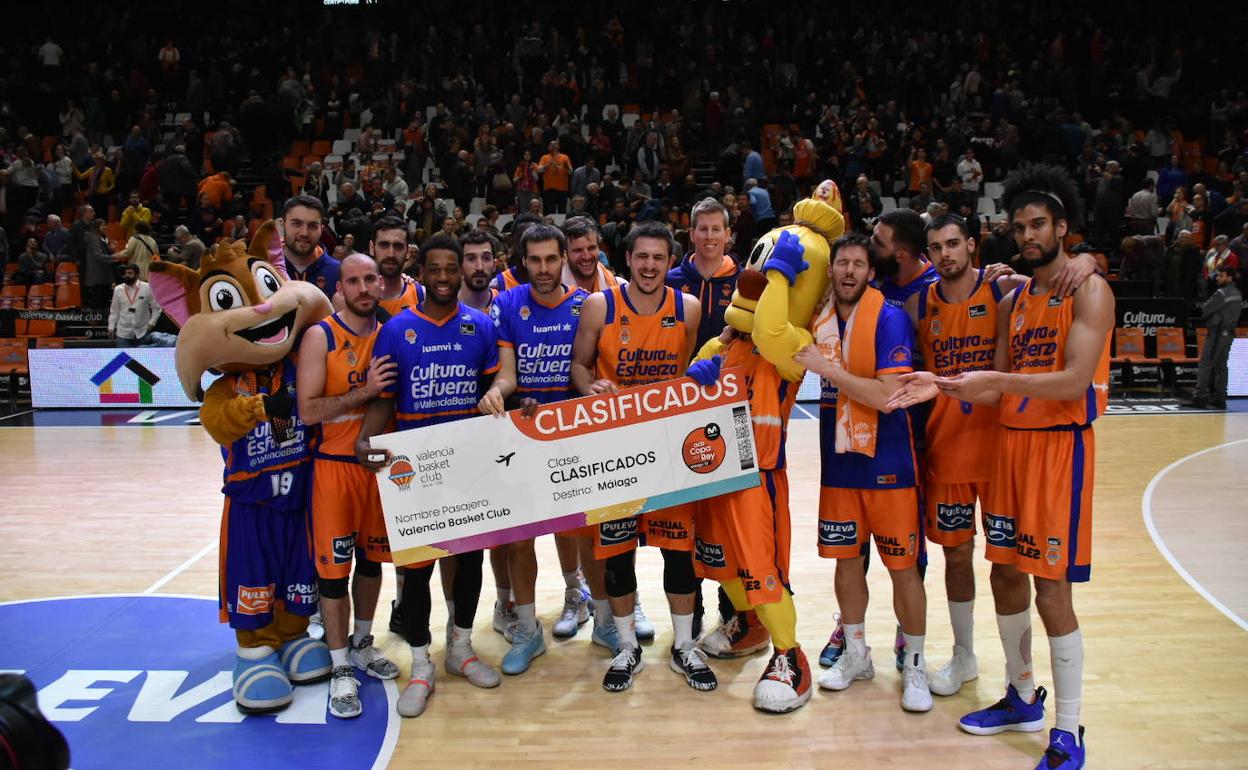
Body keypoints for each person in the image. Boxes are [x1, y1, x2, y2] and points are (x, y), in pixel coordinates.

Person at [892, 164, 1113, 770]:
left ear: (1061, 227)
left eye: (1038, 224)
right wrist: (934, 383)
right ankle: (1021, 695)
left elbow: (1070, 380)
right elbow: (989, 389)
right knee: (1005, 576)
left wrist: (993, 378)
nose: (1029, 234)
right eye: (1020, 226)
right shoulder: (1017, 297)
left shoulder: (1088, 288)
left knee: (1052, 589)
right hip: (1010, 448)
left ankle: (1068, 732)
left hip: (1058, 450)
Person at [356, 235, 502, 718]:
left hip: (467, 464)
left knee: (470, 563)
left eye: (450, 269)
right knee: (414, 573)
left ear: (461, 271)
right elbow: (383, 398)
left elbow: (492, 391)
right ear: (425, 272)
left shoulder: (479, 327)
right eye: (434, 269)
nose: (442, 277)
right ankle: (421, 665)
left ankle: (460, 649)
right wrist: (365, 438)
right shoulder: (397, 330)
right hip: (413, 469)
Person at [569, 221, 712, 693]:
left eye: (659, 257)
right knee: (617, 553)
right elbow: (579, 366)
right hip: (615, 451)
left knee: (678, 552)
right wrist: (592, 387)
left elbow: (690, 373)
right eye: (642, 256)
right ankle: (627, 646)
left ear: (671, 262)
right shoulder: (598, 305)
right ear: (626, 259)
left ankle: (685, 646)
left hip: (669, 449)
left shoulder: (686, 308)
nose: (650, 265)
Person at [794, 233, 932, 714]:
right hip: (840, 466)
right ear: (830, 271)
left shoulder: (889, 319)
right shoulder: (820, 319)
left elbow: (885, 396)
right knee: (846, 564)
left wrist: (823, 369)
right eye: (841, 264)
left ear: (870, 272)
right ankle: (857, 657)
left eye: (858, 264)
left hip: (890, 466)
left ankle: (914, 664)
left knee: (902, 569)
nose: (849, 271)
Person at [900, 213, 1030, 697]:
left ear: (972, 245)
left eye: (953, 244)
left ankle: (1019, 673)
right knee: (956, 557)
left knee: (1010, 565)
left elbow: (1054, 288)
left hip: (1000, 453)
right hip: (947, 450)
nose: (945, 254)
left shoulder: (1004, 292)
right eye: (936, 248)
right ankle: (964, 656)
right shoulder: (919, 304)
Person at [478, 224, 602, 674]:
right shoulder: (508, 303)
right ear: (523, 261)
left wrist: (593, 389)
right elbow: (509, 370)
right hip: (520, 434)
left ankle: (590, 606)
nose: (544, 269)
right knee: (518, 538)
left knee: (580, 531)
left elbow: (585, 369)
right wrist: (499, 390)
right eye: (535, 260)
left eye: (552, 259)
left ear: (565, 257)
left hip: (569, 435)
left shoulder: (585, 306)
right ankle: (528, 630)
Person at [296, 254, 401, 719]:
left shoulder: (394, 332)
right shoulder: (322, 336)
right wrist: (365, 390)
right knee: (334, 573)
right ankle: (340, 668)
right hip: (334, 469)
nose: (362, 288)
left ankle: (361, 642)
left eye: (369, 279)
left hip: (380, 469)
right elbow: (308, 411)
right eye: (352, 280)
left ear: (381, 283)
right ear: (340, 288)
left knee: (374, 562)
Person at [1185, 266, 1243, 409]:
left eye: (1221, 276)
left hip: (1217, 333)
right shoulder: (1237, 293)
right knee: (1221, 366)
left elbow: (1205, 310)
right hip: (1229, 333)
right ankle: (1220, 398)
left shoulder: (1221, 293)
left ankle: (1199, 397)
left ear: (1229, 277)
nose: (1218, 278)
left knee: (1206, 364)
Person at [280, 195, 341, 298]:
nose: (304, 233)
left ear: (321, 230)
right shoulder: (263, 270)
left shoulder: (339, 272)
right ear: (282, 225)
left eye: (312, 226)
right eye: (296, 224)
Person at [107, 263, 163, 347]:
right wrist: (111, 327)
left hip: (142, 332)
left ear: (137, 275)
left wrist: (151, 323)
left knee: (142, 359)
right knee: (124, 359)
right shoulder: (118, 289)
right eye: (125, 273)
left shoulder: (147, 288)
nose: (126, 276)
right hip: (123, 333)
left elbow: (157, 308)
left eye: (130, 273)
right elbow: (114, 311)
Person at [562, 216, 621, 293]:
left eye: (591, 248)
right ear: (565, 254)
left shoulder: (618, 287)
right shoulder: (551, 290)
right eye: (578, 250)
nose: (587, 257)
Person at [537, 140, 573, 214]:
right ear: (549, 147)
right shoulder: (544, 157)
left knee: (562, 210)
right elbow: (539, 170)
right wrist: (548, 164)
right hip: (549, 188)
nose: (553, 146)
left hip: (562, 188)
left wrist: (567, 169)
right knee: (550, 210)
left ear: (558, 146)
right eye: (551, 145)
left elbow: (570, 171)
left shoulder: (565, 157)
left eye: (555, 145)